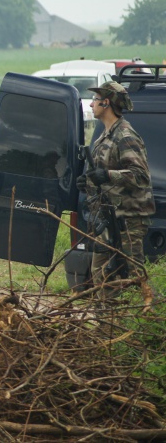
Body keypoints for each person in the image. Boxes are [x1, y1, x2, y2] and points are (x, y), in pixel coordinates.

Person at [77, 81, 155, 298]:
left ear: (106, 102)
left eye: (95, 99)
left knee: (134, 277)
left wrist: (107, 175)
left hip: (128, 219)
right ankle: (106, 327)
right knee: (101, 274)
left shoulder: (125, 136)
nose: (91, 104)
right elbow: (104, 173)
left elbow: (140, 176)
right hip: (110, 216)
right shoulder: (105, 134)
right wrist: (88, 182)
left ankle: (146, 322)